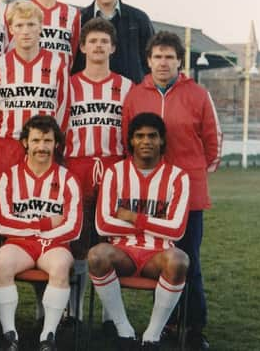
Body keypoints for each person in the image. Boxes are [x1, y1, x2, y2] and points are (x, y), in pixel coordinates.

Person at [122, 32, 222, 350]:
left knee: (188, 260)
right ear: (148, 60)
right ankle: (165, 323)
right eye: (157, 56)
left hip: (188, 195)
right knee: (159, 259)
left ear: (179, 60)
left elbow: (212, 143)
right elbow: (128, 141)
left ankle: (193, 326)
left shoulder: (198, 94)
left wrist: (189, 173)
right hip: (152, 196)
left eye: (169, 57)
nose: (163, 62)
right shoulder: (136, 95)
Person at [89, 112, 190, 351]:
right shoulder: (115, 173)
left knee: (180, 260)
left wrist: (133, 217)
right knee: (96, 255)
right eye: (140, 136)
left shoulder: (178, 177)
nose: (146, 141)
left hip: (158, 256)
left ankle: (152, 336)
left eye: (152, 136)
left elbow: (176, 229)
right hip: (122, 252)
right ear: (131, 141)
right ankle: (124, 330)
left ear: (162, 141)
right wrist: (157, 222)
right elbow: (103, 224)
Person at [0, 0, 69, 254]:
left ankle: (47, 288)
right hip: (6, 147)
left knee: (42, 226)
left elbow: (62, 111)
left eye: (31, 24)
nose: (26, 31)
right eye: (19, 25)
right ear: (10, 29)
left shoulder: (57, 65)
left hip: (42, 150)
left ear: (41, 27)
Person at [0, 115, 82, 351]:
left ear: (56, 144)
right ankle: (9, 335)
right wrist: (43, 224)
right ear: (25, 142)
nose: (41, 147)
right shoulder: (8, 176)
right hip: (19, 243)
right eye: (36, 140)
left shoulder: (67, 179)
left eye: (47, 141)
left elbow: (73, 226)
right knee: (2, 261)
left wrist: (40, 232)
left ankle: (47, 337)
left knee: (61, 266)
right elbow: (3, 223)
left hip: (55, 245)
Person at [64, 18, 133, 321]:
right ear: (82, 47)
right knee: (77, 241)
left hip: (113, 168)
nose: (98, 46)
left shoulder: (126, 86)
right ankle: (74, 311)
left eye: (104, 41)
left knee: (110, 241)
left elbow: (131, 132)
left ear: (113, 47)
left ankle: (108, 315)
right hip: (76, 166)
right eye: (92, 41)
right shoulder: (68, 84)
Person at [72, 0, 154, 84]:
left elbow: (152, 59)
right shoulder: (78, 19)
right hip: (87, 95)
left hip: (131, 94)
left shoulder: (139, 19)